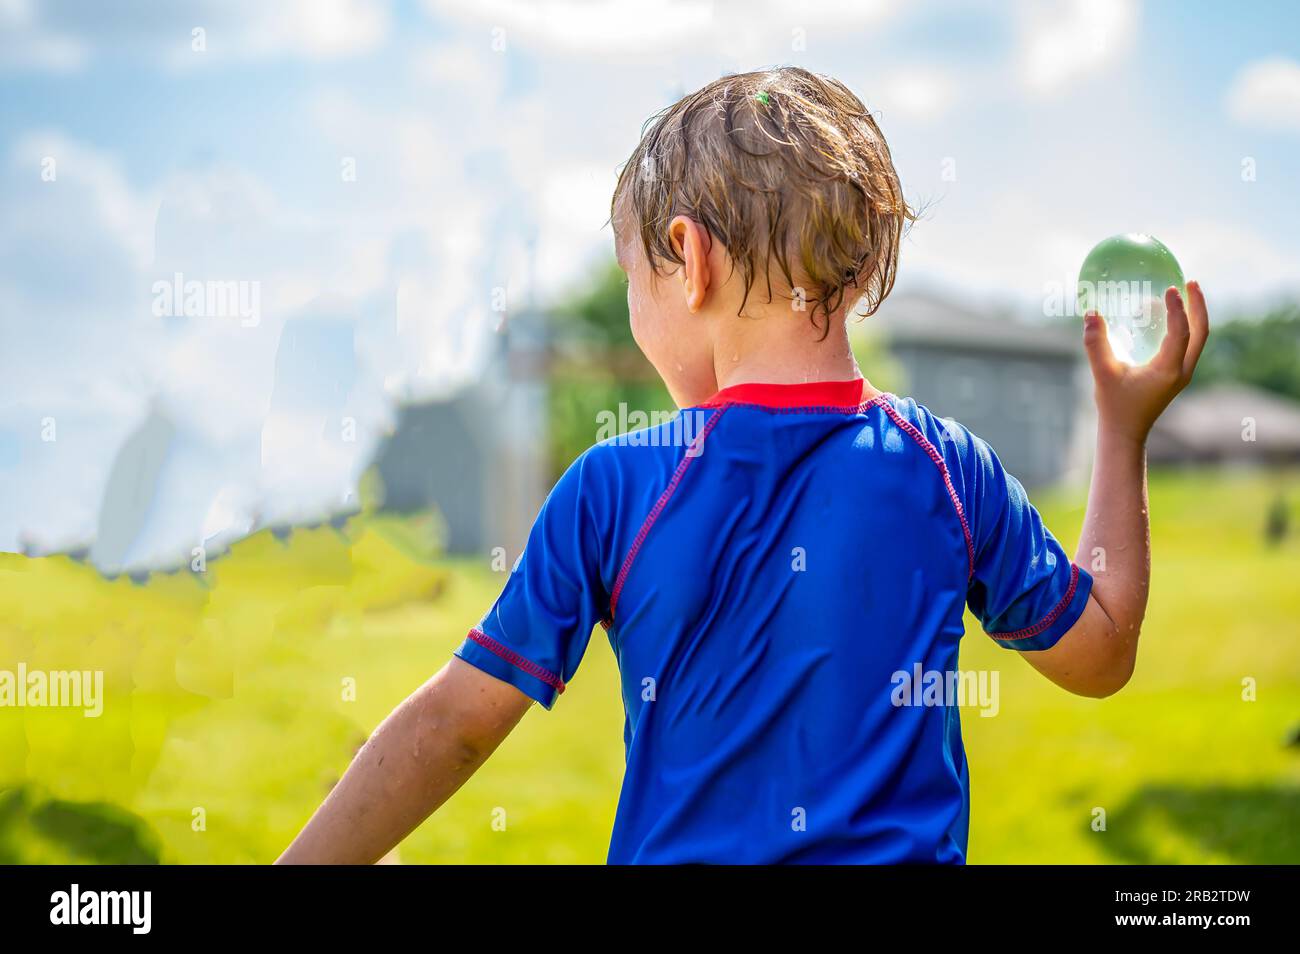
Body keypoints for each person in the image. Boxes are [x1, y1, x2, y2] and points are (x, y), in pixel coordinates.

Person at [279, 67, 1209, 864]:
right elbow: (1101, 652)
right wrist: (1121, 433)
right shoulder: (946, 468)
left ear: (689, 259)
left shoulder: (614, 488)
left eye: (633, 280)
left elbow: (458, 722)